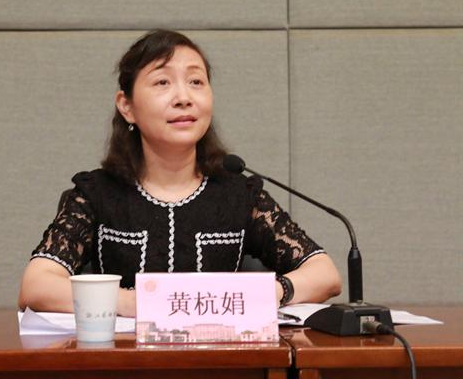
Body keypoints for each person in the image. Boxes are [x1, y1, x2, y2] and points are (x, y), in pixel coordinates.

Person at [18, 30, 342, 317]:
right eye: (162, 82)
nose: (184, 98)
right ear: (126, 106)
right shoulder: (96, 194)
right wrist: (134, 303)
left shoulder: (240, 194)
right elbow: (36, 286)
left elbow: (325, 274)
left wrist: (270, 292)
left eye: (196, 82)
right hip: (126, 359)